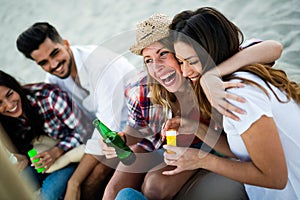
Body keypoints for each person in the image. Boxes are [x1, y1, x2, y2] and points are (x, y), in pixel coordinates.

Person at [103, 13, 283, 200]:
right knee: (112, 193)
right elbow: (137, 127)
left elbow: (273, 48)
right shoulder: (141, 90)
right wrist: (123, 138)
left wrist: (211, 75)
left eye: (163, 54)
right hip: (159, 143)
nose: (156, 67)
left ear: (180, 52)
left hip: (206, 141)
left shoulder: (201, 71)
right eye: (148, 60)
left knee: (154, 188)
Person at [161, 7, 300, 199]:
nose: (184, 72)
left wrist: (201, 160)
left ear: (212, 50)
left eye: (191, 61)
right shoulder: (241, 65)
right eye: (181, 62)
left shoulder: (238, 94)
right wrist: (195, 127)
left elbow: (275, 178)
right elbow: (241, 151)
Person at [16, 22, 136, 199]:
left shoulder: (99, 64)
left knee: (91, 180)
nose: (54, 64)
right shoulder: (53, 79)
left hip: (134, 129)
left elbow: (106, 129)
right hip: (101, 140)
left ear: (65, 43)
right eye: (43, 63)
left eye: (55, 53)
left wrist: (75, 182)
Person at [0, 70, 88, 200]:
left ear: (15, 86)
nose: (9, 105)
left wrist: (57, 151)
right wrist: (20, 156)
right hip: (39, 162)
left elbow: (85, 131)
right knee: (12, 189)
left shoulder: (49, 97)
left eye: (10, 94)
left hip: (72, 155)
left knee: (49, 195)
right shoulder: (4, 120)